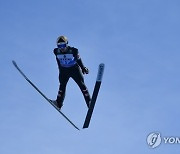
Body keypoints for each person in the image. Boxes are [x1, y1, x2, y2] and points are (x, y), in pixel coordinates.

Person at [51, 35, 91, 109]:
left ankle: (89, 102)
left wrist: (83, 68)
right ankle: (58, 103)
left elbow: (78, 59)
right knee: (62, 86)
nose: (62, 48)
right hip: (64, 71)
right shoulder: (56, 51)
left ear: (67, 44)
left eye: (63, 45)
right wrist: (60, 71)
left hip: (74, 69)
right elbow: (58, 61)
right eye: (59, 46)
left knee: (82, 85)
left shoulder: (73, 50)